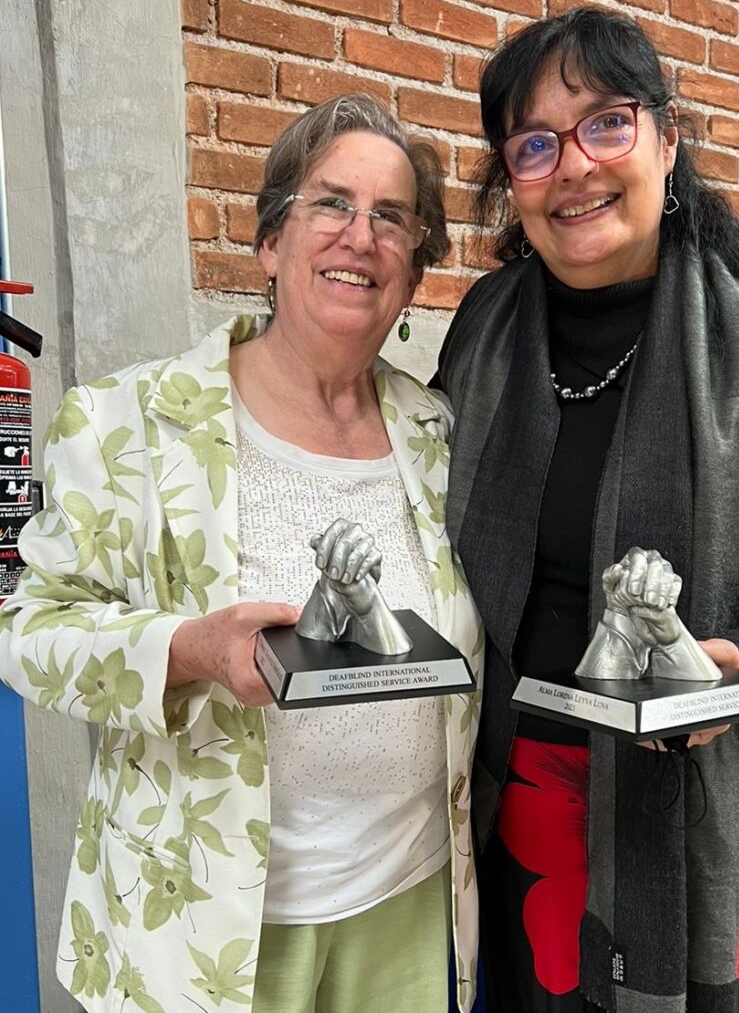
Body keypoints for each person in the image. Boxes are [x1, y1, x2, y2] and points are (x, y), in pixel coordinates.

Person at [0, 93, 483, 1013]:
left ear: (415, 272)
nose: (360, 235)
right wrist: (191, 651)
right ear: (270, 242)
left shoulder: (439, 433)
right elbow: (27, 630)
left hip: (411, 903)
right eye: (330, 204)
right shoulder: (127, 423)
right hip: (203, 929)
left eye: (391, 218)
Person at [436, 9, 739, 1013]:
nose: (573, 166)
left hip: (715, 797)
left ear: (666, 142)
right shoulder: (481, 333)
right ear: (511, 180)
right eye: (534, 144)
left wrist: (730, 664)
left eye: (606, 124)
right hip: (520, 797)